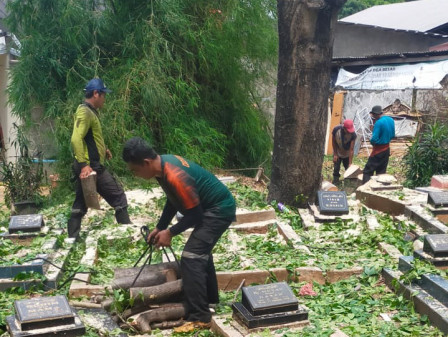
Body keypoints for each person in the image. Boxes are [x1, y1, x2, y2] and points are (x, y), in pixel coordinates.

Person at [122, 137, 236, 333]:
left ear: (146, 163)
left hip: (218, 210)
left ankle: (200, 317)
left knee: (191, 257)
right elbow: (173, 200)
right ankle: (209, 300)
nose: (135, 175)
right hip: (210, 207)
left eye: (135, 170)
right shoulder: (162, 166)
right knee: (200, 253)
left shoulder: (174, 174)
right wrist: (160, 227)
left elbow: (195, 214)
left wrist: (171, 232)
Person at [67, 78, 131, 238]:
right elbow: (76, 139)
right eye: (104, 95)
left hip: (91, 163)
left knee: (80, 204)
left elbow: (90, 138)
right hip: (92, 167)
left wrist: (104, 150)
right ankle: (129, 233)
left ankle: (72, 238)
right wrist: (84, 165)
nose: (105, 99)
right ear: (96, 94)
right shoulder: (85, 111)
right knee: (119, 198)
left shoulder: (90, 111)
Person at [362, 105, 395, 184]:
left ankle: (365, 189)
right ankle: (379, 189)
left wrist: (372, 142)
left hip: (378, 150)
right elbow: (393, 135)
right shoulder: (390, 120)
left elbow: (374, 139)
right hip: (387, 149)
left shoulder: (378, 123)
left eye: (373, 115)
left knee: (367, 171)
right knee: (381, 172)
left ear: (375, 114)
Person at [331, 119, 357, 183]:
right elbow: (334, 142)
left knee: (347, 168)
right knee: (336, 168)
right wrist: (335, 154)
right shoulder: (336, 130)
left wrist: (350, 163)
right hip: (338, 152)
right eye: (347, 131)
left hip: (347, 154)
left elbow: (351, 149)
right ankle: (335, 181)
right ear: (344, 128)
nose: (349, 132)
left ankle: (347, 182)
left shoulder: (353, 135)